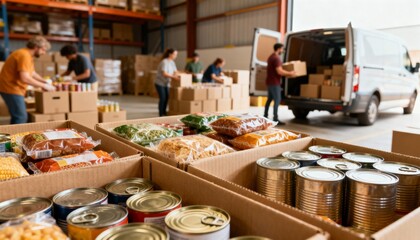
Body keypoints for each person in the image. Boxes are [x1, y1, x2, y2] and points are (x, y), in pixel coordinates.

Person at [0, 36, 55, 124]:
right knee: (21, 117)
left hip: (13, 88)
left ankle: (11, 136)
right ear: (36, 47)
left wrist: (45, 81)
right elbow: (25, 78)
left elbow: (32, 73)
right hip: (11, 88)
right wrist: (44, 86)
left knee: (17, 116)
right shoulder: (24, 55)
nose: (44, 53)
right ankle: (14, 137)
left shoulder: (27, 55)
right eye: (43, 50)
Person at [263, 43, 296, 125]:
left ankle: (265, 116)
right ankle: (275, 119)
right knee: (277, 100)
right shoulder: (276, 58)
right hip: (275, 83)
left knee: (269, 100)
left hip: (270, 82)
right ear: (278, 49)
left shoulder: (271, 57)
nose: (283, 50)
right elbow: (279, 71)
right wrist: (290, 73)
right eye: (282, 49)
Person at [155, 48, 179, 116]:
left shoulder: (172, 62)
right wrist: (174, 77)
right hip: (160, 83)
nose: (175, 56)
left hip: (167, 83)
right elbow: (164, 74)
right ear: (170, 54)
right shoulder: (164, 62)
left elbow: (175, 71)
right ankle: (160, 114)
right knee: (163, 98)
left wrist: (179, 75)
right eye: (174, 54)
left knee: (167, 98)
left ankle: (164, 112)